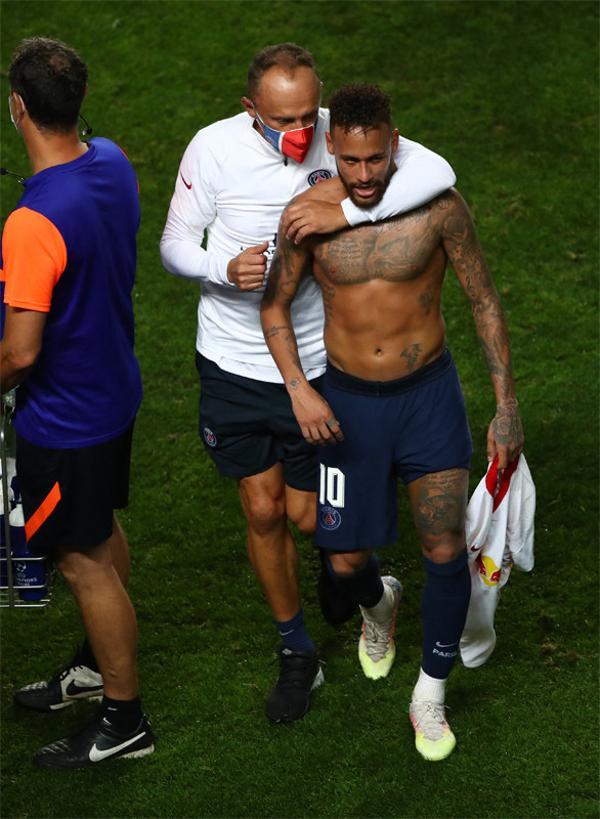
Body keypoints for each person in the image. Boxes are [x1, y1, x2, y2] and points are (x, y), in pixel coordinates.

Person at [160, 42, 457, 724]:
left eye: (307, 115)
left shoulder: (339, 135)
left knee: (308, 516)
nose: (301, 133)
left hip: (320, 366)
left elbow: (438, 171)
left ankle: (368, 586)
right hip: (232, 363)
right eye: (282, 121)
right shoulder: (211, 149)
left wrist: (346, 214)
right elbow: (174, 244)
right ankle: (297, 651)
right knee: (262, 510)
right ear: (250, 109)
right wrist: (218, 268)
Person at [260, 83, 524, 759]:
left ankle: (429, 691)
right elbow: (274, 305)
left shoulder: (439, 209)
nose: (363, 174)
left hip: (428, 399)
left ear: (395, 144)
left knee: (445, 545)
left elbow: (484, 300)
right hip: (347, 405)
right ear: (333, 149)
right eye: (350, 160)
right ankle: (380, 603)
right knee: (344, 561)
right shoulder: (307, 218)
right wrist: (299, 390)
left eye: (375, 158)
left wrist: (506, 406)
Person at [0, 37, 154, 769]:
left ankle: (124, 721)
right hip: (114, 391)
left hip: (65, 419)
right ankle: (95, 666)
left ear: (17, 107)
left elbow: (20, 352)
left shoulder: (32, 223)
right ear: (80, 99)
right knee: (99, 528)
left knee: (81, 561)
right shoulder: (114, 161)